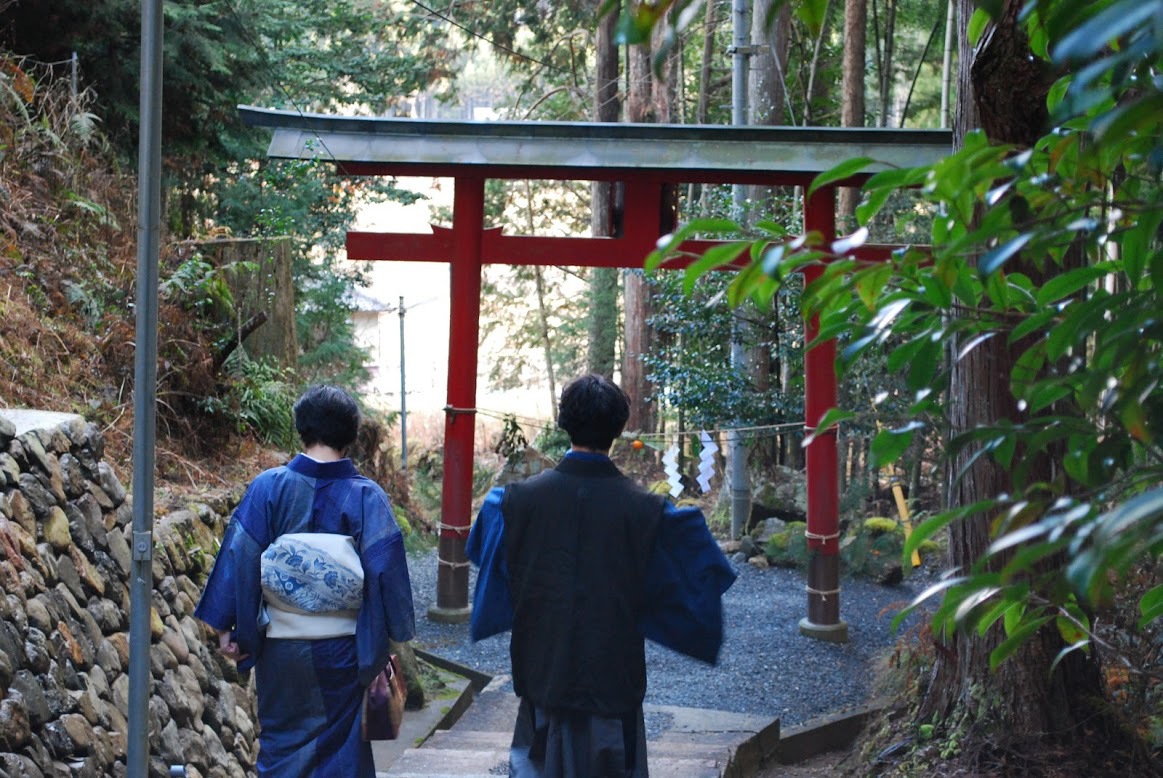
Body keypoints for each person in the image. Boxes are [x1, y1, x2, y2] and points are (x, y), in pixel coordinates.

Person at [467, 374, 737, 778]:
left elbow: (482, 555)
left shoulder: (513, 503)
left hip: (543, 669)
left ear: (563, 423)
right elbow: (697, 574)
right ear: (619, 428)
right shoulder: (648, 511)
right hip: (613, 677)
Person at [195, 384, 415, 777]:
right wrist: (392, 632)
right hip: (344, 652)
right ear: (351, 436)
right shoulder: (367, 498)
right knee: (343, 752)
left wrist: (232, 630)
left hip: (282, 651)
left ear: (302, 429)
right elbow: (387, 574)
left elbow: (241, 556)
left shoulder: (268, 488)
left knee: (281, 746)